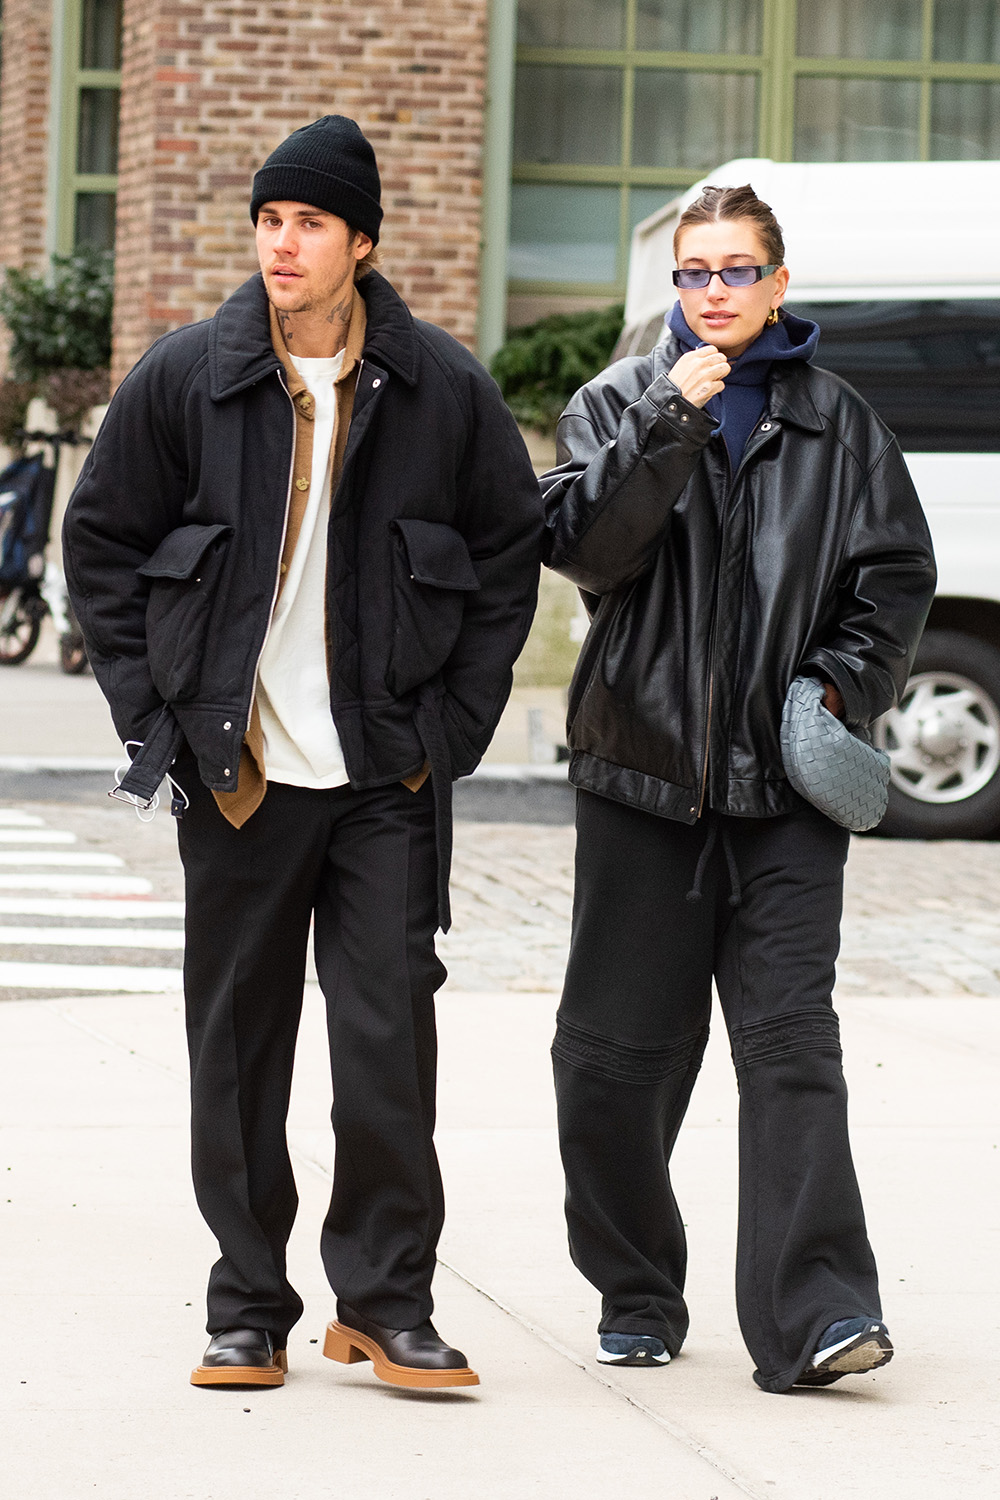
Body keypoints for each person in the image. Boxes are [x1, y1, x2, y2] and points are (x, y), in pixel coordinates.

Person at [63, 115, 542, 1392]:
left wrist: (452, 730)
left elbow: (507, 559)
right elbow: (102, 545)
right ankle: (247, 1304)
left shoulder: (441, 387)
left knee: (387, 1044)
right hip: (239, 772)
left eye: (310, 223)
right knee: (236, 1047)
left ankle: (384, 1303)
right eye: (271, 220)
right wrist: (148, 718)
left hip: (387, 774)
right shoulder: (188, 375)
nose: (283, 243)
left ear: (361, 243)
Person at [540, 183, 935, 1393]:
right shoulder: (615, 402)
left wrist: (832, 690)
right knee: (615, 1059)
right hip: (639, 780)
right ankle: (637, 1288)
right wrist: (668, 418)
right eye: (692, 273)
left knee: (789, 1048)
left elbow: (896, 578)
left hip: (785, 798)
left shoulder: (839, 422)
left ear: (776, 283)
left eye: (734, 271)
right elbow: (583, 547)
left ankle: (818, 1313)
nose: (711, 291)